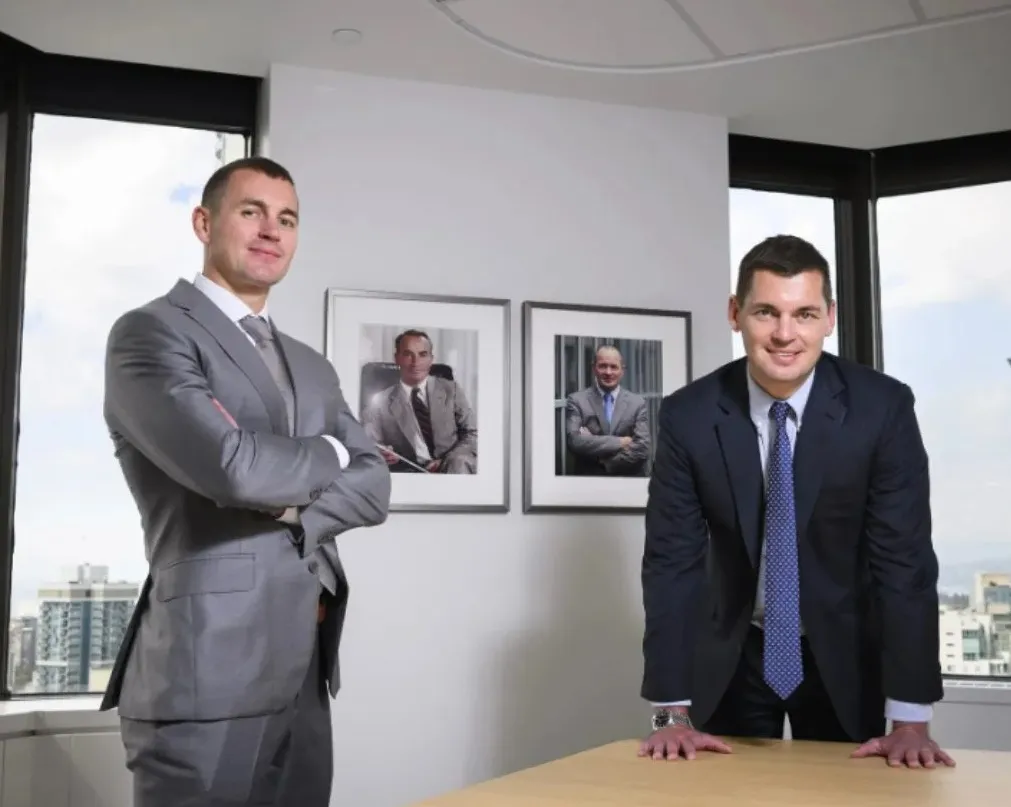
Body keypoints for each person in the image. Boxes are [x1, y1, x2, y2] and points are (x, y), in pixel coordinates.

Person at [100, 156, 391, 806]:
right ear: (204, 222)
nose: (271, 230)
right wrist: (329, 452)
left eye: (285, 218)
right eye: (251, 212)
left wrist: (293, 509)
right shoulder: (150, 334)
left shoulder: (311, 365)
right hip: (206, 674)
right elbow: (231, 466)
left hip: (306, 674)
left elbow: (375, 484)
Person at [638, 234, 954, 769]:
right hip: (733, 652)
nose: (785, 334)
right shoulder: (688, 417)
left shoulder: (883, 409)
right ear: (735, 314)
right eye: (766, 312)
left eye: (804, 314)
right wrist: (671, 712)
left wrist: (910, 719)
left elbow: (904, 564)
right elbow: (671, 565)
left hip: (845, 648)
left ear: (830, 317)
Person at [362, 329, 478, 474]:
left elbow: (473, 433)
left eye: (423, 355)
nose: (415, 362)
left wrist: (448, 460)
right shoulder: (381, 401)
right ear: (397, 358)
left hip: (452, 466)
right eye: (407, 354)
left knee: (460, 462)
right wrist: (382, 453)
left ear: (431, 359)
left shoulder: (451, 390)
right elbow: (368, 442)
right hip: (410, 472)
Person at [564, 345, 651, 476]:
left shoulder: (637, 403)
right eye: (603, 366)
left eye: (614, 367)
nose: (608, 372)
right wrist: (621, 442)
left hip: (628, 481)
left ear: (622, 370)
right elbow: (575, 442)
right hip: (590, 483)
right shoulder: (577, 401)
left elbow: (642, 448)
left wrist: (604, 463)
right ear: (594, 368)